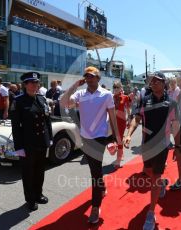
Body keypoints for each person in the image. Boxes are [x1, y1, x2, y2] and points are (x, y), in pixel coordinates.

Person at [60, 66, 121, 224]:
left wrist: (116, 138)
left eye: (92, 76)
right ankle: (102, 187)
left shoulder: (106, 94)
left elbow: (113, 117)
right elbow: (64, 103)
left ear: (98, 78)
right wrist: (74, 86)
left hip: (99, 137)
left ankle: (95, 207)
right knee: (95, 169)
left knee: (95, 171)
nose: (89, 79)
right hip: (85, 138)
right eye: (87, 76)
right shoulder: (80, 94)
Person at [123, 71, 181, 230]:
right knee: (148, 171)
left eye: (157, 81)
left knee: (155, 176)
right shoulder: (145, 100)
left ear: (164, 84)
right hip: (146, 144)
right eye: (152, 81)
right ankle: (161, 184)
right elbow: (137, 118)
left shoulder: (171, 103)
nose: (153, 83)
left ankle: (151, 212)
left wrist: (178, 146)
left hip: (162, 145)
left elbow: (175, 126)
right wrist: (128, 134)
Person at [10, 72, 53, 211]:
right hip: (27, 144)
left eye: (37, 82)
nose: (35, 85)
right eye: (31, 82)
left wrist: (50, 138)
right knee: (28, 172)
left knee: (40, 170)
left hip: (42, 141)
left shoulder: (42, 99)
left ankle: (38, 194)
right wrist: (19, 147)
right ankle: (30, 199)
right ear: (25, 85)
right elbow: (15, 127)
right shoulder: (18, 101)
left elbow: (47, 121)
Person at [112, 81, 130, 168]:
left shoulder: (125, 97)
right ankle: (121, 154)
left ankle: (118, 161)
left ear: (120, 88)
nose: (115, 89)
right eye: (114, 87)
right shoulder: (111, 97)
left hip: (121, 121)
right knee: (116, 139)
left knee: (119, 140)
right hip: (113, 121)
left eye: (117, 87)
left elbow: (128, 108)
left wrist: (129, 119)